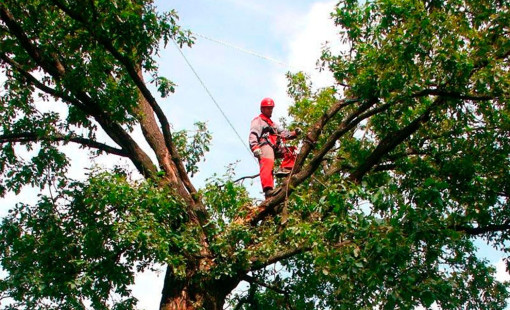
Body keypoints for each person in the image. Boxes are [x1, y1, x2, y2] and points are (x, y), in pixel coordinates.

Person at [249, 97, 301, 198]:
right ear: (262, 109)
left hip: (274, 147)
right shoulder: (258, 120)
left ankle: (285, 168)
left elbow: (283, 133)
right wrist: (255, 147)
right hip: (264, 145)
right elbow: (253, 133)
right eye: (268, 108)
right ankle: (268, 190)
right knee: (268, 163)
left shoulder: (272, 124)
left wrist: (294, 133)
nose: (270, 110)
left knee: (292, 151)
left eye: (271, 108)